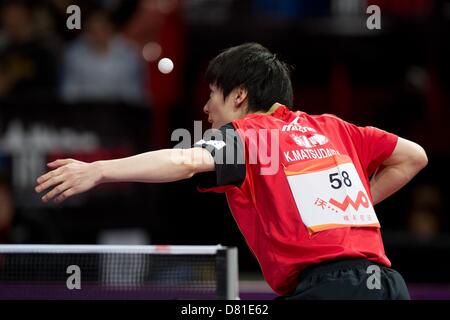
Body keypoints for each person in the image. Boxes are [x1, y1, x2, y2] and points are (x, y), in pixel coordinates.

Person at [35, 43, 428, 299]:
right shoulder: (333, 127)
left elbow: (185, 161)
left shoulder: (251, 133)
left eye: (211, 94)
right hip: (389, 286)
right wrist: (347, 210)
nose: (205, 109)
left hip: (329, 290)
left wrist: (100, 170)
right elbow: (414, 157)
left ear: (240, 94)